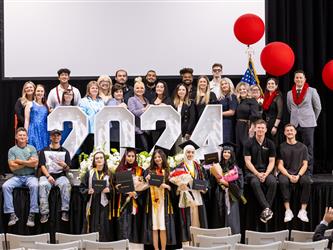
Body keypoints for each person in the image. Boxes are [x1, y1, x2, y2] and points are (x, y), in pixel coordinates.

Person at [169, 140, 208, 242]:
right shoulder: (179, 167)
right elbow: (173, 186)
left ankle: (199, 243)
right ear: (184, 153)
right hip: (185, 196)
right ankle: (187, 244)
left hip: (197, 195)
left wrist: (204, 189)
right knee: (186, 220)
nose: (190, 154)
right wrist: (179, 187)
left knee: (198, 220)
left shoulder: (199, 167)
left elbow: (205, 181)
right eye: (188, 152)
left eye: (192, 152)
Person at [287, 70, 322, 174]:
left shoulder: (312, 91)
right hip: (294, 125)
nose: (299, 79)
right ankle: (296, 170)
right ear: (294, 79)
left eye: (300, 78)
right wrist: (295, 118)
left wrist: (312, 119)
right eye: (297, 77)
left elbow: (318, 107)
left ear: (304, 79)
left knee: (308, 148)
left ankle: (309, 171)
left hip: (308, 124)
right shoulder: (289, 93)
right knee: (295, 148)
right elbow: (290, 109)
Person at [2, 127, 39, 227]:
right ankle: (12, 214)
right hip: (17, 177)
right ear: (16, 137)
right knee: (5, 186)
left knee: (35, 186)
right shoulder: (12, 150)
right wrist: (28, 162)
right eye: (20, 135)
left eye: (24, 135)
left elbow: (35, 164)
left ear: (27, 137)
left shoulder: (32, 148)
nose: (22, 137)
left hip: (30, 176)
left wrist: (20, 162)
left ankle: (32, 214)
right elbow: (12, 168)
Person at [244, 119, 277, 223]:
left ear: (266, 130)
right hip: (252, 172)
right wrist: (257, 174)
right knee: (254, 182)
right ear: (254, 129)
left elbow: (272, 162)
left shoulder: (270, 144)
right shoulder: (248, 143)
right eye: (258, 127)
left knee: (273, 182)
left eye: (262, 128)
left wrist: (266, 173)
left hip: (266, 171)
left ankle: (265, 211)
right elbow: (247, 162)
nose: (260, 130)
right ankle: (267, 208)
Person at [143, 148, 176, 250]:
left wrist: (167, 186)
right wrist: (147, 179)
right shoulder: (148, 171)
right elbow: (143, 186)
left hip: (164, 202)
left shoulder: (168, 170)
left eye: (159, 157)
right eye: (155, 157)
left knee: (163, 227)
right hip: (152, 202)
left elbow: (173, 188)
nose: (157, 159)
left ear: (163, 157)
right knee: (154, 227)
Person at [277, 124, 311, 223]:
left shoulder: (303, 147)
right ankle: (288, 210)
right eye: (287, 130)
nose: (290, 132)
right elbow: (279, 165)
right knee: (283, 181)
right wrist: (289, 175)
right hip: (286, 173)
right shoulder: (281, 147)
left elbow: (305, 164)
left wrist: (298, 175)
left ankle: (303, 210)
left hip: (300, 173)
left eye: (291, 130)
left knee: (307, 181)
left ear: (295, 132)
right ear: (284, 133)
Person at [209, 142, 244, 234]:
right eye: (225, 152)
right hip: (219, 194)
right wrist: (214, 175)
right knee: (219, 216)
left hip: (231, 195)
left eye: (228, 152)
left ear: (232, 154)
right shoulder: (217, 166)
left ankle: (233, 237)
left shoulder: (236, 168)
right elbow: (212, 182)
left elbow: (240, 184)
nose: (226, 154)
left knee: (232, 218)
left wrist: (227, 184)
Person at [115, 147, 148, 243]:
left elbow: (144, 187)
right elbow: (114, 186)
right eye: (129, 156)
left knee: (135, 225)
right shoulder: (119, 170)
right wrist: (118, 188)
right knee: (124, 225)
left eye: (133, 156)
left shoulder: (141, 171)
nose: (130, 158)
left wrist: (136, 193)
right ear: (125, 156)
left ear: (135, 157)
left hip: (136, 202)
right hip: (123, 202)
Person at [39, 129, 72, 223]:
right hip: (46, 176)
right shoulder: (44, 150)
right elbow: (42, 166)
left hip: (60, 176)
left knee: (66, 184)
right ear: (50, 137)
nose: (56, 137)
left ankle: (65, 211)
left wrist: (64, 165)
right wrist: (48, 176)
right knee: (42, 185)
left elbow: (68, 168)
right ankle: (44, 213)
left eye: (58, 136)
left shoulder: (65, 151)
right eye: (54, 135)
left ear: (60, 137)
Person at [80, 151, 113, 241]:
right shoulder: (89, 173)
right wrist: (88, 191)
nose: (99, 160)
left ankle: (103, 245)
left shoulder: (109, 174)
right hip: (93, 203)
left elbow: (114, 189)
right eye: (97, 158)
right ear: (94, 161)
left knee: (103, 225)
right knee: (92, 224)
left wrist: (109, 190)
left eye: (101, 158)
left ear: (104, 160)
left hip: (104, 204)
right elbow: (82, 187)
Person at [235, 82, 261, 168]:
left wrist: (252, 128)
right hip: (238, 126)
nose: (242, 91)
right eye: (240, 89)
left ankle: (249, 170)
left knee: (247, 148)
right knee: (238, 148)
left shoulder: (252, 101)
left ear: (247, 90)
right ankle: (240, 170)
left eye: (244, 89)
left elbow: (256, 115)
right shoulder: (238, 101)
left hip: (248, 126)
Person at [79, 81, 105, 153]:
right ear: (88, 90)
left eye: (96, 88)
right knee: (89, 150)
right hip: (89, 130)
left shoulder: (101, 101)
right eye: (93, 88)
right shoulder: (83, 101)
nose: (95, 89)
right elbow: (82, 115)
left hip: (100, 130)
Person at [24, 84, 49, 151]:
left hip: (44, 130)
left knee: (43, 152)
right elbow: (26, 120)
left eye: (41, 91)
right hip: (33, 130)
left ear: (44, 93)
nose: (40, 93)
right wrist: (25, 135)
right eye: (38, 91)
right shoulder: (30, 104)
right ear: (35, 92)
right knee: (33, 151)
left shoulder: (46, 105)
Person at [128, 77, 150, 151]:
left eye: (141, 88)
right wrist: (144, 109)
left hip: (147, 130)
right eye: (137, 88)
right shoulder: (131, 100)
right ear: (134, 89)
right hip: (137, 130)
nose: (139, 90)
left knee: (147, 150)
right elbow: (132, 112)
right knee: (143, 150)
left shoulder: (146, 100)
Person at [172, 84, 195, 153]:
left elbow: (192, 119)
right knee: (177, 152)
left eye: (183, 90)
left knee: (185, 151)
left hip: (185, 132)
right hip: (175, 131)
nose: (181, 91)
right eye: (179, 90)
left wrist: (188, 132)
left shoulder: (190, 103)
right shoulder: (173, 103)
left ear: (186, 92)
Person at [262, 78, 283, 146]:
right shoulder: (265, 96)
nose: (270, 85)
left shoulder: (278, 96)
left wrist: (275, 126)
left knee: (274, 143)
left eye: (272, 84)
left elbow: (280, 112)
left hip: (274, 123)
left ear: (276, 86)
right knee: (266, 143)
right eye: (268, 84)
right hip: (266, 123)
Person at [106, 84, 128, 150]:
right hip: (114, 134)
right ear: (113, 93)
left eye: (120, 91)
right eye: (117, 92)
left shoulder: (124, 102)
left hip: (123, 133)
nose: (119, 93)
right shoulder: (111, 102)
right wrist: (120, 107)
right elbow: (111, 114)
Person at [151, 80, 172, 145]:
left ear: (164, 89)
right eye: (157, 87)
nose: (159, 88)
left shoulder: (168, 100)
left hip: (165, 128)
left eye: (161, 87)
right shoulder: (152, 100)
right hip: (154, 128)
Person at [218, 77, 237, 143]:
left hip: (228, 123)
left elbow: (232, 112)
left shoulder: (232, 96)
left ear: (230, 85)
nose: (224, 85)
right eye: (222, 84)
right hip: (220, 123)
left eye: (225, 83)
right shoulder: (221, 98)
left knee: (227, 142)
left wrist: (218, 113)